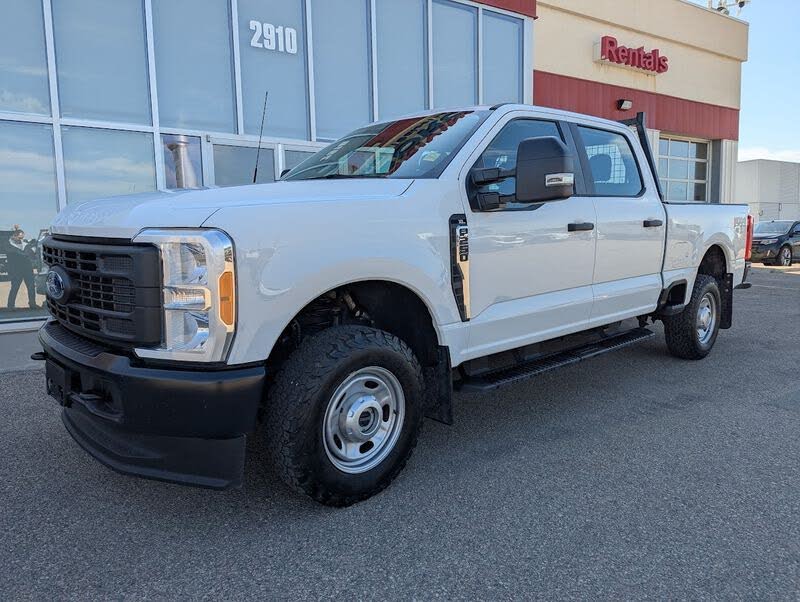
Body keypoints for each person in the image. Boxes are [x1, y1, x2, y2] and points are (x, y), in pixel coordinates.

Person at [6, 226, 37, 310]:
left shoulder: (25, 245)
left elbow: (31, 255)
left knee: (31, 287)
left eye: (22, 237)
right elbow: (18, 254)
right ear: (14, 236)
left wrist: (29, 253)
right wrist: (27, 254)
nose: (21, 239)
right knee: (15, 288)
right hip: (16, 270)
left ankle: (32, 304)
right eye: (19, 237)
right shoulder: (9, 246)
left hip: (27, 269)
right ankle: (10, 306)